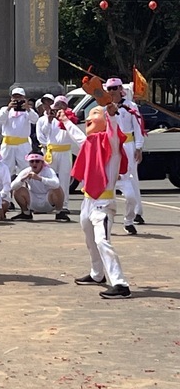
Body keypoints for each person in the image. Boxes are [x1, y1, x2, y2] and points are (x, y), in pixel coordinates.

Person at [59, 103, 131, 299]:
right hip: (88, 200)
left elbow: (115, 132)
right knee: (90, 240)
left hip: (103, 203)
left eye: (95, 114)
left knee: (102, 240)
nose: (89, 118)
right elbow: (78, 136)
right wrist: (65, 121)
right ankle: (97, 274)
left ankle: (120, 283)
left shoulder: (112, 145)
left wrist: (112, 115)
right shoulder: (91, 143)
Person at [108, 78, 146, 233]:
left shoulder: (130, 106)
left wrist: (139, 147)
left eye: (115, 88)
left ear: (120, 89)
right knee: (110, 177)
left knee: (131, 177)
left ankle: (137, 211)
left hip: (128, 145)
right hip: (111, 146)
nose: (112, 91)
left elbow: (138, 127)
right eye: (109, 88)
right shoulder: (105, 107)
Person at [36, 97, 73, 212]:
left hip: (65, 151)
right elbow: (44, 135)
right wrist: (50, 120)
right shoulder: (46, 119)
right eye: (58, 104)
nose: (60, 107)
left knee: (64, 179)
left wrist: (64, 118)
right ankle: (48, 202)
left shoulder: (70, 116)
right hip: (51, 151)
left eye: (62, 104)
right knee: (48, 177)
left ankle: (64, 204)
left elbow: (72, 130)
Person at [9, 152, 69, 222]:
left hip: (48, 200)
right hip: (32, 200)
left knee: (57, 189)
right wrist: (22, 179)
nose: (34, 163)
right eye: (32, 161)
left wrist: (40, 178)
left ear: (42, 162)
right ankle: (26, 213)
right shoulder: (26, 171)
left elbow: (56, 183)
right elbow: (12, 187)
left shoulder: (48, 171)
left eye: (37, 161)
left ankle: (59, 212)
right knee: (18, 190)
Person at [0, 87, 39, 175]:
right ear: (11, 98)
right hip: (8, 144)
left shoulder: (28, 111)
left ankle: (27, 187)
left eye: (19, 97)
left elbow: (35, 120)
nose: (17, 100)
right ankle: (7, 187)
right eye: (15, 97)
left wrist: (28, 109)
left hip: (23, 144)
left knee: (27, 167)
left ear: (24, 98)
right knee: (6, 168)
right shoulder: (5, 109)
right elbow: (0, 119)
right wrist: (8, 108)